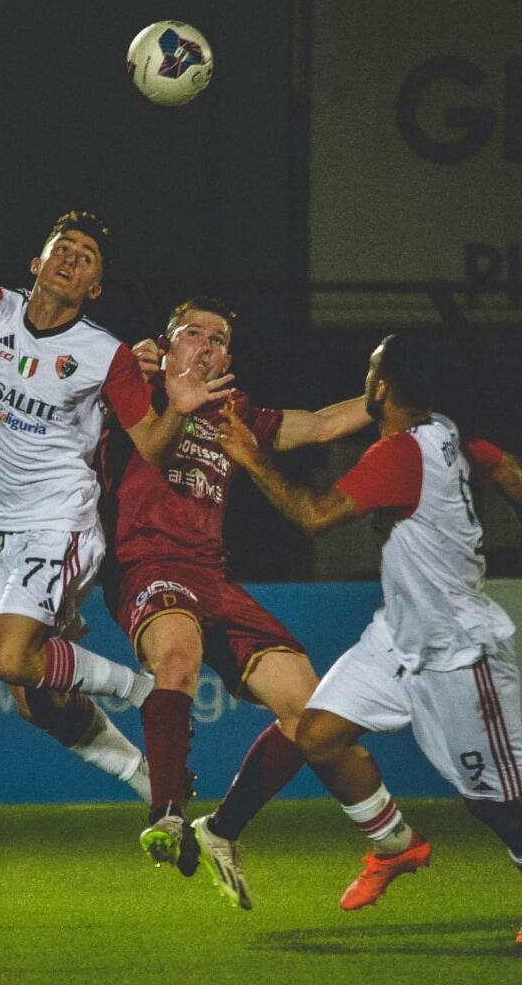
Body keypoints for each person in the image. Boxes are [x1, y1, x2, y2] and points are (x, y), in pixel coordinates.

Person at [0, 209, 233, 801]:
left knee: (9, 658)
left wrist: (178, 406)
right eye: (64, 247)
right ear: (38, 262)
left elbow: (153, 447)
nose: (72, 257)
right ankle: (147, 777)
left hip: (59, 520)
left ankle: (139, 692)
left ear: (94, 288)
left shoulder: (105, 354)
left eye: (87, 257)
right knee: (36, 703)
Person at [218, 331, 522, 939]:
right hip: (397, 638)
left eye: (370, 370)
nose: (366, 379)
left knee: (494, 800)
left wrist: (251, 457)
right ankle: (393, 845)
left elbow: (313, 516)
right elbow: (508, 471)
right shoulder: (453, 436)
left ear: (381, 388)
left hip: (456, 652)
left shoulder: (400, 453)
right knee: (319, 734)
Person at [94, 296, 373, 893]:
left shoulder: (233, 410)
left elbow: (320, 424)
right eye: (193, 333)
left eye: (220, 339)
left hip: (213, 578)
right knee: (177, 655)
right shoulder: (127, 388)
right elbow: (132, 439)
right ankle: (166, 811)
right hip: (145, 565)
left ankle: (222, 828)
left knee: (310, 710)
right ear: (165, 346)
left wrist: (393, 398)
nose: (209, 344)